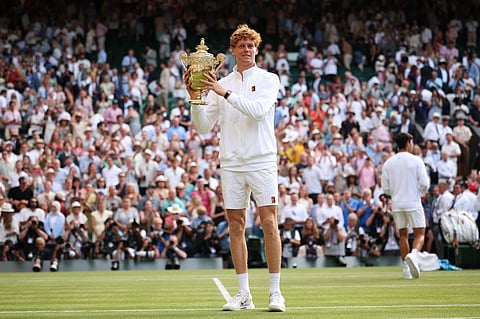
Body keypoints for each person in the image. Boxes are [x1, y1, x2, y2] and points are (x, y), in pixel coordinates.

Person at [185, 24, 285, 312]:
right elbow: (204, 126)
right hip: (231, 162)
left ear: (256, 49)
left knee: (268, 222)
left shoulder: (269, 79)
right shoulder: (222, 82)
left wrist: (222, 90)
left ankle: (275, 293)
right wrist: (196, 98)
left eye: (250, 45)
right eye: (241, 46)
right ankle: (243, 295)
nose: (246, 50)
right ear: (233, 51)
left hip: (262, 160)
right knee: (235, 225)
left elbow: (257, 111)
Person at [381, 133, 430, 279]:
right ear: (408, 143)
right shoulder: (416, 160)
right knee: (420, 234)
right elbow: (425, 184)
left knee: (403, 235)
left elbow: (386, 189)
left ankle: (406, 270)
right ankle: (414, 255)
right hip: (413, 202)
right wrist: (419, 194)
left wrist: (396, 194)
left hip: (397, 204)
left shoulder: (388, 163)